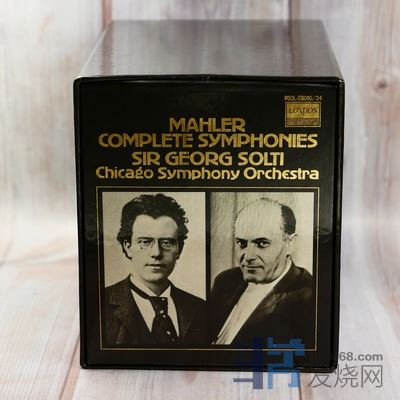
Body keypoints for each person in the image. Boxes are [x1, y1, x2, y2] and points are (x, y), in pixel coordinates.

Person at [210, 197, 314, 347]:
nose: (248, 256)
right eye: (242, 243)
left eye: (262, 243)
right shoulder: (225, 281)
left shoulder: (309, 299)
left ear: (289, 244)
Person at [104, 193, 205, 346]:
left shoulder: (200, 309)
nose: (156, 253)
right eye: (145, 242)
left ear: (179, 249)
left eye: (166, 243)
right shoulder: (98, 305)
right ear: (128, 246)